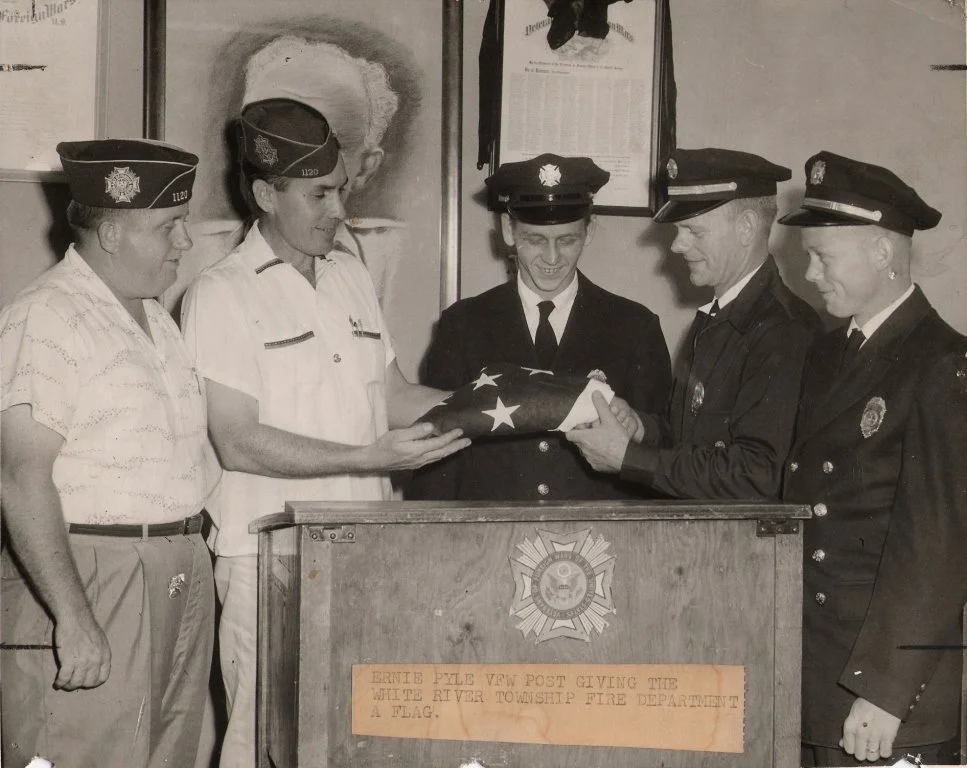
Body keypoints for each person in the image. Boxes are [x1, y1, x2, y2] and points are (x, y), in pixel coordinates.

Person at [179, 97, 469, 768]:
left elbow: (393, 397)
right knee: (264, 742)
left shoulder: (350, 276)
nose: (338, 210)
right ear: (264, 194)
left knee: (348, 738)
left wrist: (495, 403)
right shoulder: (221, 294)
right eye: (318, 194)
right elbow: (236, 439)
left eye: (340, 190)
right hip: (267, 563)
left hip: (358, 556)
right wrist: (369, 458)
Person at [0, 139, 218, 767]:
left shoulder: (155, 319)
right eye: (168, 226)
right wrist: (72, 615)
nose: (185, 242)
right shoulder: (46, 317)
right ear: (114, 232)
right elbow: (20, 476)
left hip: (177, 564)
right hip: (94, 572)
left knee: (162, 755)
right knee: (80, 753)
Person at [778, 151, 967, 766]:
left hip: (884, 702)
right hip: (819, 676)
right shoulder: (827, 355)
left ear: (883, 254)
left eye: (823, 257)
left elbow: (938, 547)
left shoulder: (942, 364)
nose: (810, 274)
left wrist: (885, 692)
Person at [408, 153, 672, 501]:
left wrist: (637, 425)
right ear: (507, 230)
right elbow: (436, 452)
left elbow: (667, 440)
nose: (551, 258)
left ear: (588, 231)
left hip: (596, 543)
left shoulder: (635, 327)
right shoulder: (463, 325)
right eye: (535, 240)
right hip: (492, 539)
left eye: (567, 240)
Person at [566, 147, 822, 500]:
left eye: (694, 231)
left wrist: (629, 458)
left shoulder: (785, 330)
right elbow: (690, 438)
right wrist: (641, 429)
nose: (678, 245)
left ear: (747, 227)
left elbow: (759, 473)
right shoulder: (715, 318)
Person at [160, 32, 413, 314]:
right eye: (265, 126)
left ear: (366, 166)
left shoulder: (394, 266)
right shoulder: (187, 264)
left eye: (325, 140)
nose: (285, 149)